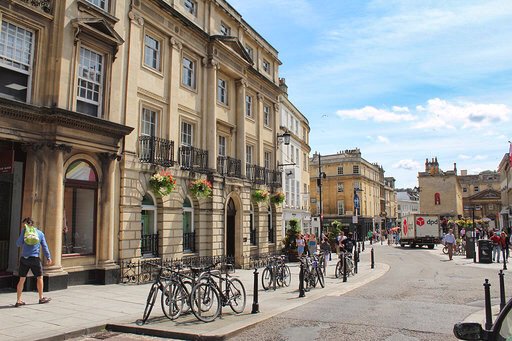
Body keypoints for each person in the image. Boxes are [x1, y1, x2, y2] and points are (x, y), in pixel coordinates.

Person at [15, 217, 52, 307]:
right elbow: (45, 247)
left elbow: (18, 244)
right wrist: (48, 257)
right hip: (35, 259)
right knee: (39, 277)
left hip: (24, 259)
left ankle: (18, 300)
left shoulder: (24, 232)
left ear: (26, 224)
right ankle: (41, 298)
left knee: (22, 279)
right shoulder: (40, 233)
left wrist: (23, 234)